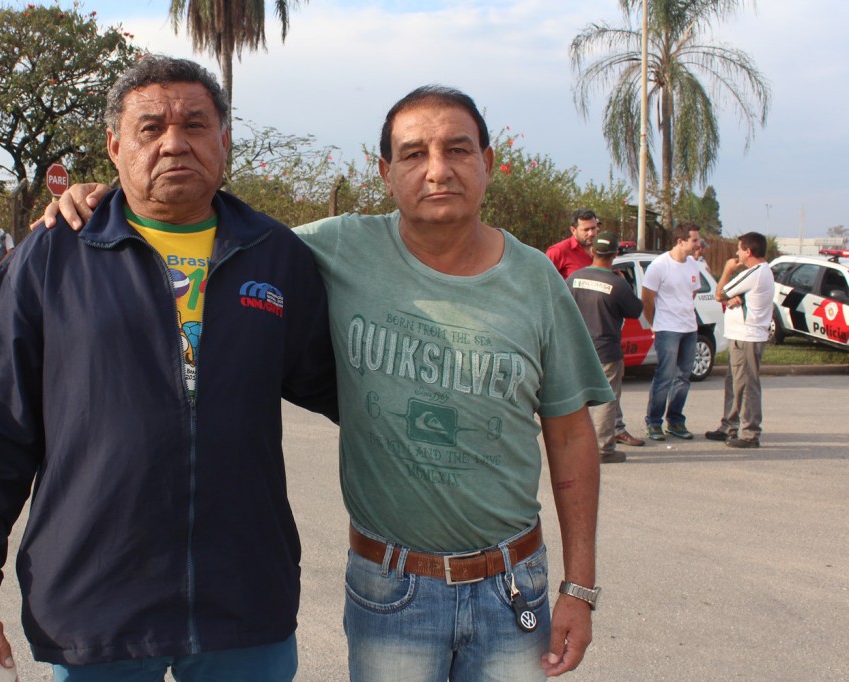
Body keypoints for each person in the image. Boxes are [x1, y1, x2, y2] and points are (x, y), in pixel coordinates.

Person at [47, 85, 615, 680]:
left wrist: (580, 587)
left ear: (489, 163)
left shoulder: (537, 281)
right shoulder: (333, 248)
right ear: (386, 172)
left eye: (458, 150)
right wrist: (104, 199)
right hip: (390, 587)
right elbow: (216, 227)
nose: (438, 170)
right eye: (415, 153)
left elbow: (572, 434)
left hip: (513, 586)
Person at [0, 56, 338, 682]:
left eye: (196, 125)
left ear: (224, 141)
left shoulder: (275, 255)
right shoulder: (54, 255)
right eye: (150, 128)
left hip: (244, 604)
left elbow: (345, 389)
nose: (175, 142)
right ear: (115, 145)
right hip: (98, 608)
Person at [566, 232, 644, 463]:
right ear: (615, 254)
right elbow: (635, 310)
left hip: (577, 351)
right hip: (606, 351)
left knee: (577, 400)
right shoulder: (617, 284)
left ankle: (575, 446)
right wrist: (625, 283)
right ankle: (602, 450)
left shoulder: (573, 278)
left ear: (592, 252)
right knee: (605, 402)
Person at [705, 232, 774, 448]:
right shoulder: (760, 273)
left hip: (747, 337)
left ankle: (749, 433)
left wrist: (727, 270)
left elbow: (720, 293)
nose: (737, 253)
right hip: (741, 336)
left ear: (749, 251)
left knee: (746, 384)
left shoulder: (755, 272)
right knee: (734, 382)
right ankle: (730, 426)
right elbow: (730, 295)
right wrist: (733, 297)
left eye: (740, 249)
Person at [641, 223, 703, 441]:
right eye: (694, 240)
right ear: (681, 241)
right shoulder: (659, 266)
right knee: (664, 376)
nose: (698, 244)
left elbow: (691, 293)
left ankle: (675, 421)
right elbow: (647, 299)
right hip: (667, 328)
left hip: (689, 328)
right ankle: (654, 423)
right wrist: (654, 324)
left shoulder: (693, 265)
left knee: (683, 377)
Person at [545, 208, 600, 278]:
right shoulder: (558, 251)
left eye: (593, 228)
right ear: (573, 230)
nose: (591, 233)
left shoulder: (601, 249)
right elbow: (542, 279)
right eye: (586, 230)